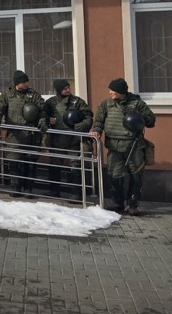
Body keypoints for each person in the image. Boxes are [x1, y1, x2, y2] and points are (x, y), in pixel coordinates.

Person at [91, 78, 155, 215]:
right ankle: (118, 203)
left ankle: (133, 205)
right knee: (114, 174)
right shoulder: (106, 104)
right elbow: (99, 120)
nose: (110, 92)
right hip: (114, 146)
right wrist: (97, 130)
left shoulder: (137, 103)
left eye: (113, 90)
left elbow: (151, 120)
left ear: (121, 91)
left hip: (134, 145)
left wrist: (139, 117)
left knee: (136, 175)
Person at [0, 70, 47, 197]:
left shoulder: (33, 95)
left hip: (31, 134)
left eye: (27, 81)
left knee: (30, 163)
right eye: (24, 82)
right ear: (17, 83)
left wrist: (43, 120)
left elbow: (42, 110)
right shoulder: (7, 95)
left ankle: (28, 189)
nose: (27, 83)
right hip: (14, 135)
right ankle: (15, 188)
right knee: (14, 162)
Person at [43, 79, 93, 199]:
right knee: (54, 165)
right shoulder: (51, 102)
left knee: (75, 166)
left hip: (74, 139)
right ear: (58, 90)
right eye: (65, 88)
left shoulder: (77, 102)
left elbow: (88, 117)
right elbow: (42, 115)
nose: (68, 90)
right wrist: (48, 120)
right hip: (57, 139)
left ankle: (77, 194)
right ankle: (54, 191)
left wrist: (80, 126)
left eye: (68, 87)